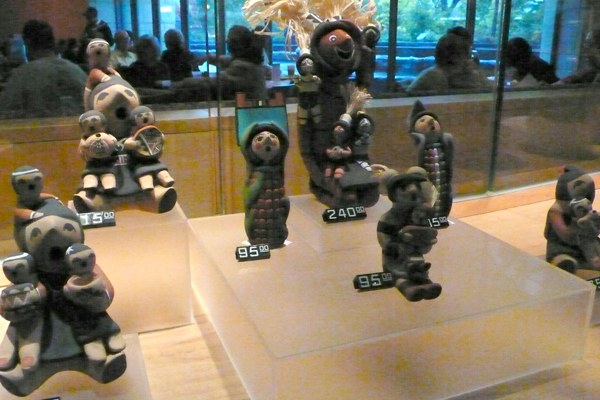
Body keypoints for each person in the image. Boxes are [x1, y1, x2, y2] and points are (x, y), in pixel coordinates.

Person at [0, 20, 87, 118]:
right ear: (52, 42)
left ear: (27, 43)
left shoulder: (22, 75)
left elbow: (5, 112)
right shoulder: (77, 72)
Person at [173, 25, 267, 101]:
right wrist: (210, 57)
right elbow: (230, 60)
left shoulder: (243, 67)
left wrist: (182, 83)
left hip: (247, 114)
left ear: (236, 45)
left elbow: (213, 83)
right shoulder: (251, 61)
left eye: (229, 42)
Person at [406, 32, 492, 95]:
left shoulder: (445, 73)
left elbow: (490, 90)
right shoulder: (436, 76)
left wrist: (476, 72)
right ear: (457, 56)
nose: (470, 59)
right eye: (468, 54)